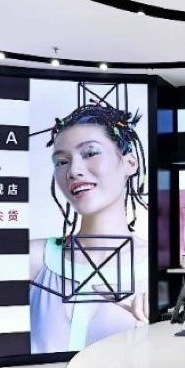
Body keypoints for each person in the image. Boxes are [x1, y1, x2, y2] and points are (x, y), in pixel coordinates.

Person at [29, 104, 149, 353]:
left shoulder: (153, 268)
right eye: (61, 161)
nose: (73, 171)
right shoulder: (36, 259)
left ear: (130, 163)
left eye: (91, 152)